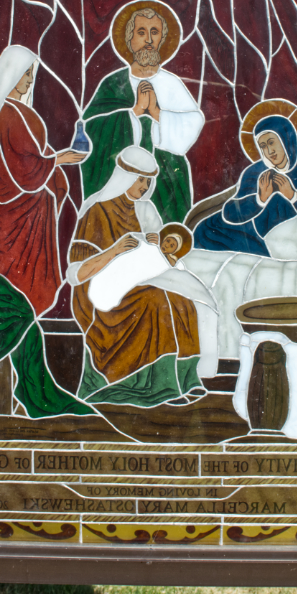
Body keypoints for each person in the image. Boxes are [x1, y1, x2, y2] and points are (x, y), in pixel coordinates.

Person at [67, 146, 208, 406]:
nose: (145, 186)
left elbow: (161, 254)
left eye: (148, 180)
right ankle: (157, 387)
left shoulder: (146, 210)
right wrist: (115, 250)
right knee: (155, 302)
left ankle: (185, 379)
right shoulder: (96, 211)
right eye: (140, 179)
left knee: (182, 301)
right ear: (125, 177)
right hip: (99, 290)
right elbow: (76, 274)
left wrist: (155, 243)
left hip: (139, 281)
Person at [0, 45, 85, 315]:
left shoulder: (18, 112)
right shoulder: (7, 113)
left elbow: (37, 153)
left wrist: (57, 159)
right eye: (25, 74)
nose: (28, 81)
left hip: (33, 211)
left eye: (31, 75)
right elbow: (24, 167)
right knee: (20, 280)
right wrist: (59, 161)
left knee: (31, 281)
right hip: (16, 213)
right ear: (10, 74)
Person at [80, 0, 204, 223]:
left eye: (154, 32)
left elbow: (193, 123)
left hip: (166, 179)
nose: (148, 40)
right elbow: (90, 129)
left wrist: (156, 112)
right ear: (129, 40)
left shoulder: (172, 84)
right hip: (120, 177)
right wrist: (135, 111)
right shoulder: (113, 83)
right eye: (141, 32)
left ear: (162, 39)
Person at [193, 114, 297, 257]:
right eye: (263, 146)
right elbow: (231, 213)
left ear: (287, 139)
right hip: (254, 232)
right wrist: (259, 199)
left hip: (295, 233)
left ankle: (271, 252)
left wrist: (293, 196)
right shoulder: (255, 172)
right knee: (206, 229)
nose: (269, 151)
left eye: (271, 142)